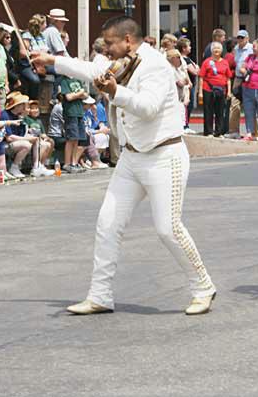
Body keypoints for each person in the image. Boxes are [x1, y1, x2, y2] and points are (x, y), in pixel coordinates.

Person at [32, 16, 217, 316]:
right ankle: (100, 294)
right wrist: (52, 60)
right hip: (132, 156)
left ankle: (203, 286)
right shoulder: (119, 63)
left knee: (168, 229)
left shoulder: (155, 65)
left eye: (110, 44)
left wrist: (117, 92)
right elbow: (90, 68)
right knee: (107, 223)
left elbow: (148, 108)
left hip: (164, 155)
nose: (106, 51)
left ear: (128, 40)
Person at [58, 67, 89, 173]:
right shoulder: (64, 81)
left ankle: (74, 162)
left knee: (77, 138)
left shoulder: (77, 80)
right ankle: (67, 163)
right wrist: (79, 94)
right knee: (71, 138)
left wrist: (79, 94)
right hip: (70, 112)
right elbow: (68, 97)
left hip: (79, 112)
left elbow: (86, 94)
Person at [199, 41, 232, 137]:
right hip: (208, 89)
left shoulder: (225, 62)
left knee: (220, 111)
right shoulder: (206, 62)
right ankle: (208, 131)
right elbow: (201, 77)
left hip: (221, 90)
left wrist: (229, 91)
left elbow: (228, 78)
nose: (216, 50)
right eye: (214, 49)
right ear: (211, 50)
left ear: (221, 51)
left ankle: (218, 132)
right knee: (208, 111)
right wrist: (200, 92)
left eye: (218, 49)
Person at [228, 29, 252, 137]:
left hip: (248, 78)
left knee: (249, 105)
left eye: (242, 38)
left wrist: (247, 72)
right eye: (238, 38)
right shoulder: (236, 49)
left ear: (247, 38)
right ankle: (234, 131)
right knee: (234, 105)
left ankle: (250, 132)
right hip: (238, 79)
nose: (240, 40)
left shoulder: (252, 48)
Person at [177, 38, 199, 133]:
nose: (190, 48)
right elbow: (195, 71)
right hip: (188, 86)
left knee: (188, 105)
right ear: (183, 48)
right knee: (187, 105)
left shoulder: (188, 59)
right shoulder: (185, 59)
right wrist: (197, 67)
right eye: (188, 46)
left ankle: (186, 124)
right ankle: (185, 125)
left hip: (190, 85)